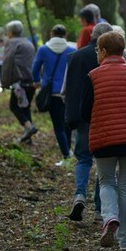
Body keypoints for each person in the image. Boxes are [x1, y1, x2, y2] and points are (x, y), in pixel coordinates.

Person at [80, 31, 126, 250]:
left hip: (103, 139)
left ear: (103, 51)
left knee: (107, 181)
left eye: (97, 51)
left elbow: (84, 111)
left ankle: (109, 217)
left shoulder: (93, 76)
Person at [64, 22, 114, 222]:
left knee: (83, 158)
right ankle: (99, 207)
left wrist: (70, 116)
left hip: (81, 116)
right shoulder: (107, 58)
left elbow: (70, 88)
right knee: (102, 160)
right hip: (102, 114)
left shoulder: (74, 56)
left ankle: (79, 195)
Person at [32, 25, 76, 164]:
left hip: (51, 92)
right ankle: (69, 151)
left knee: (58, 126)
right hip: (68, 92)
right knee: (67, 123)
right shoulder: (72, 50)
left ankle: (66, 156)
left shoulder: (44, 49)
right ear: (65, 35)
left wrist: (36, 81)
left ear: (52, 34)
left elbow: (35, 67)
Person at [1, 20, 38, 143]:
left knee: (14, 106)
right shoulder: (28, 42)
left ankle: (29, 127)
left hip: (19, 84)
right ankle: (29, 139)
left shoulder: (11, 43)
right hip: (31, 82)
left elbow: (7, 62)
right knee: (25, 108)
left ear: (11, 32)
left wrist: (5, 82)